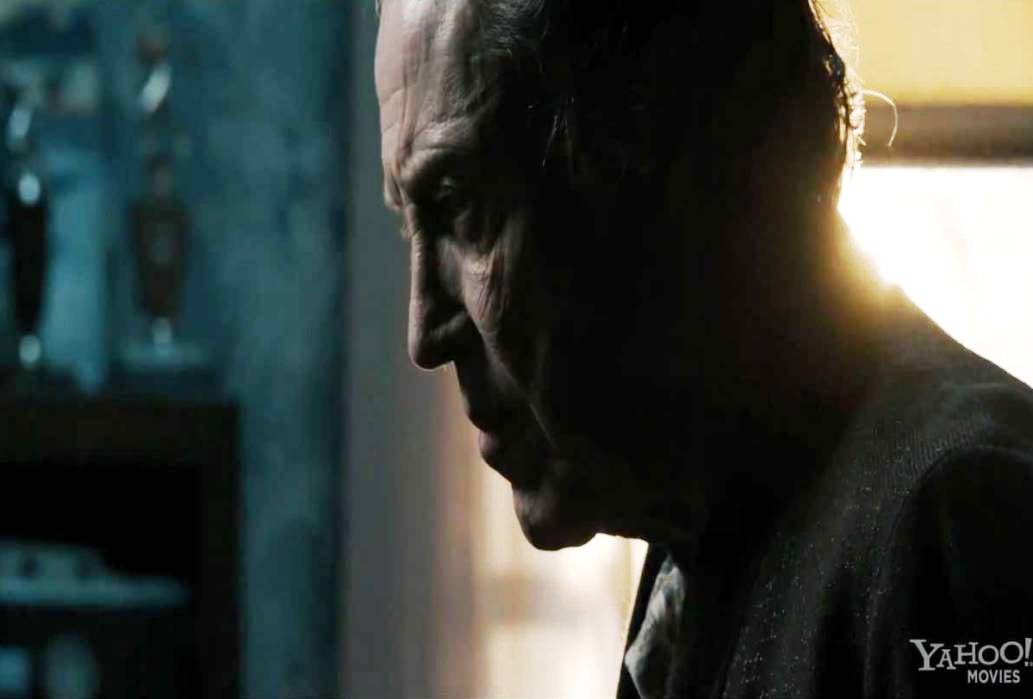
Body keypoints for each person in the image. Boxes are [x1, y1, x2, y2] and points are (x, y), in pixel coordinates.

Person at [375, 1, 1033, 697]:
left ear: (668, 154)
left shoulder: (958, 521)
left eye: (462, 203)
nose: (424, 333)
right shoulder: (708, 520)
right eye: (409, 223)